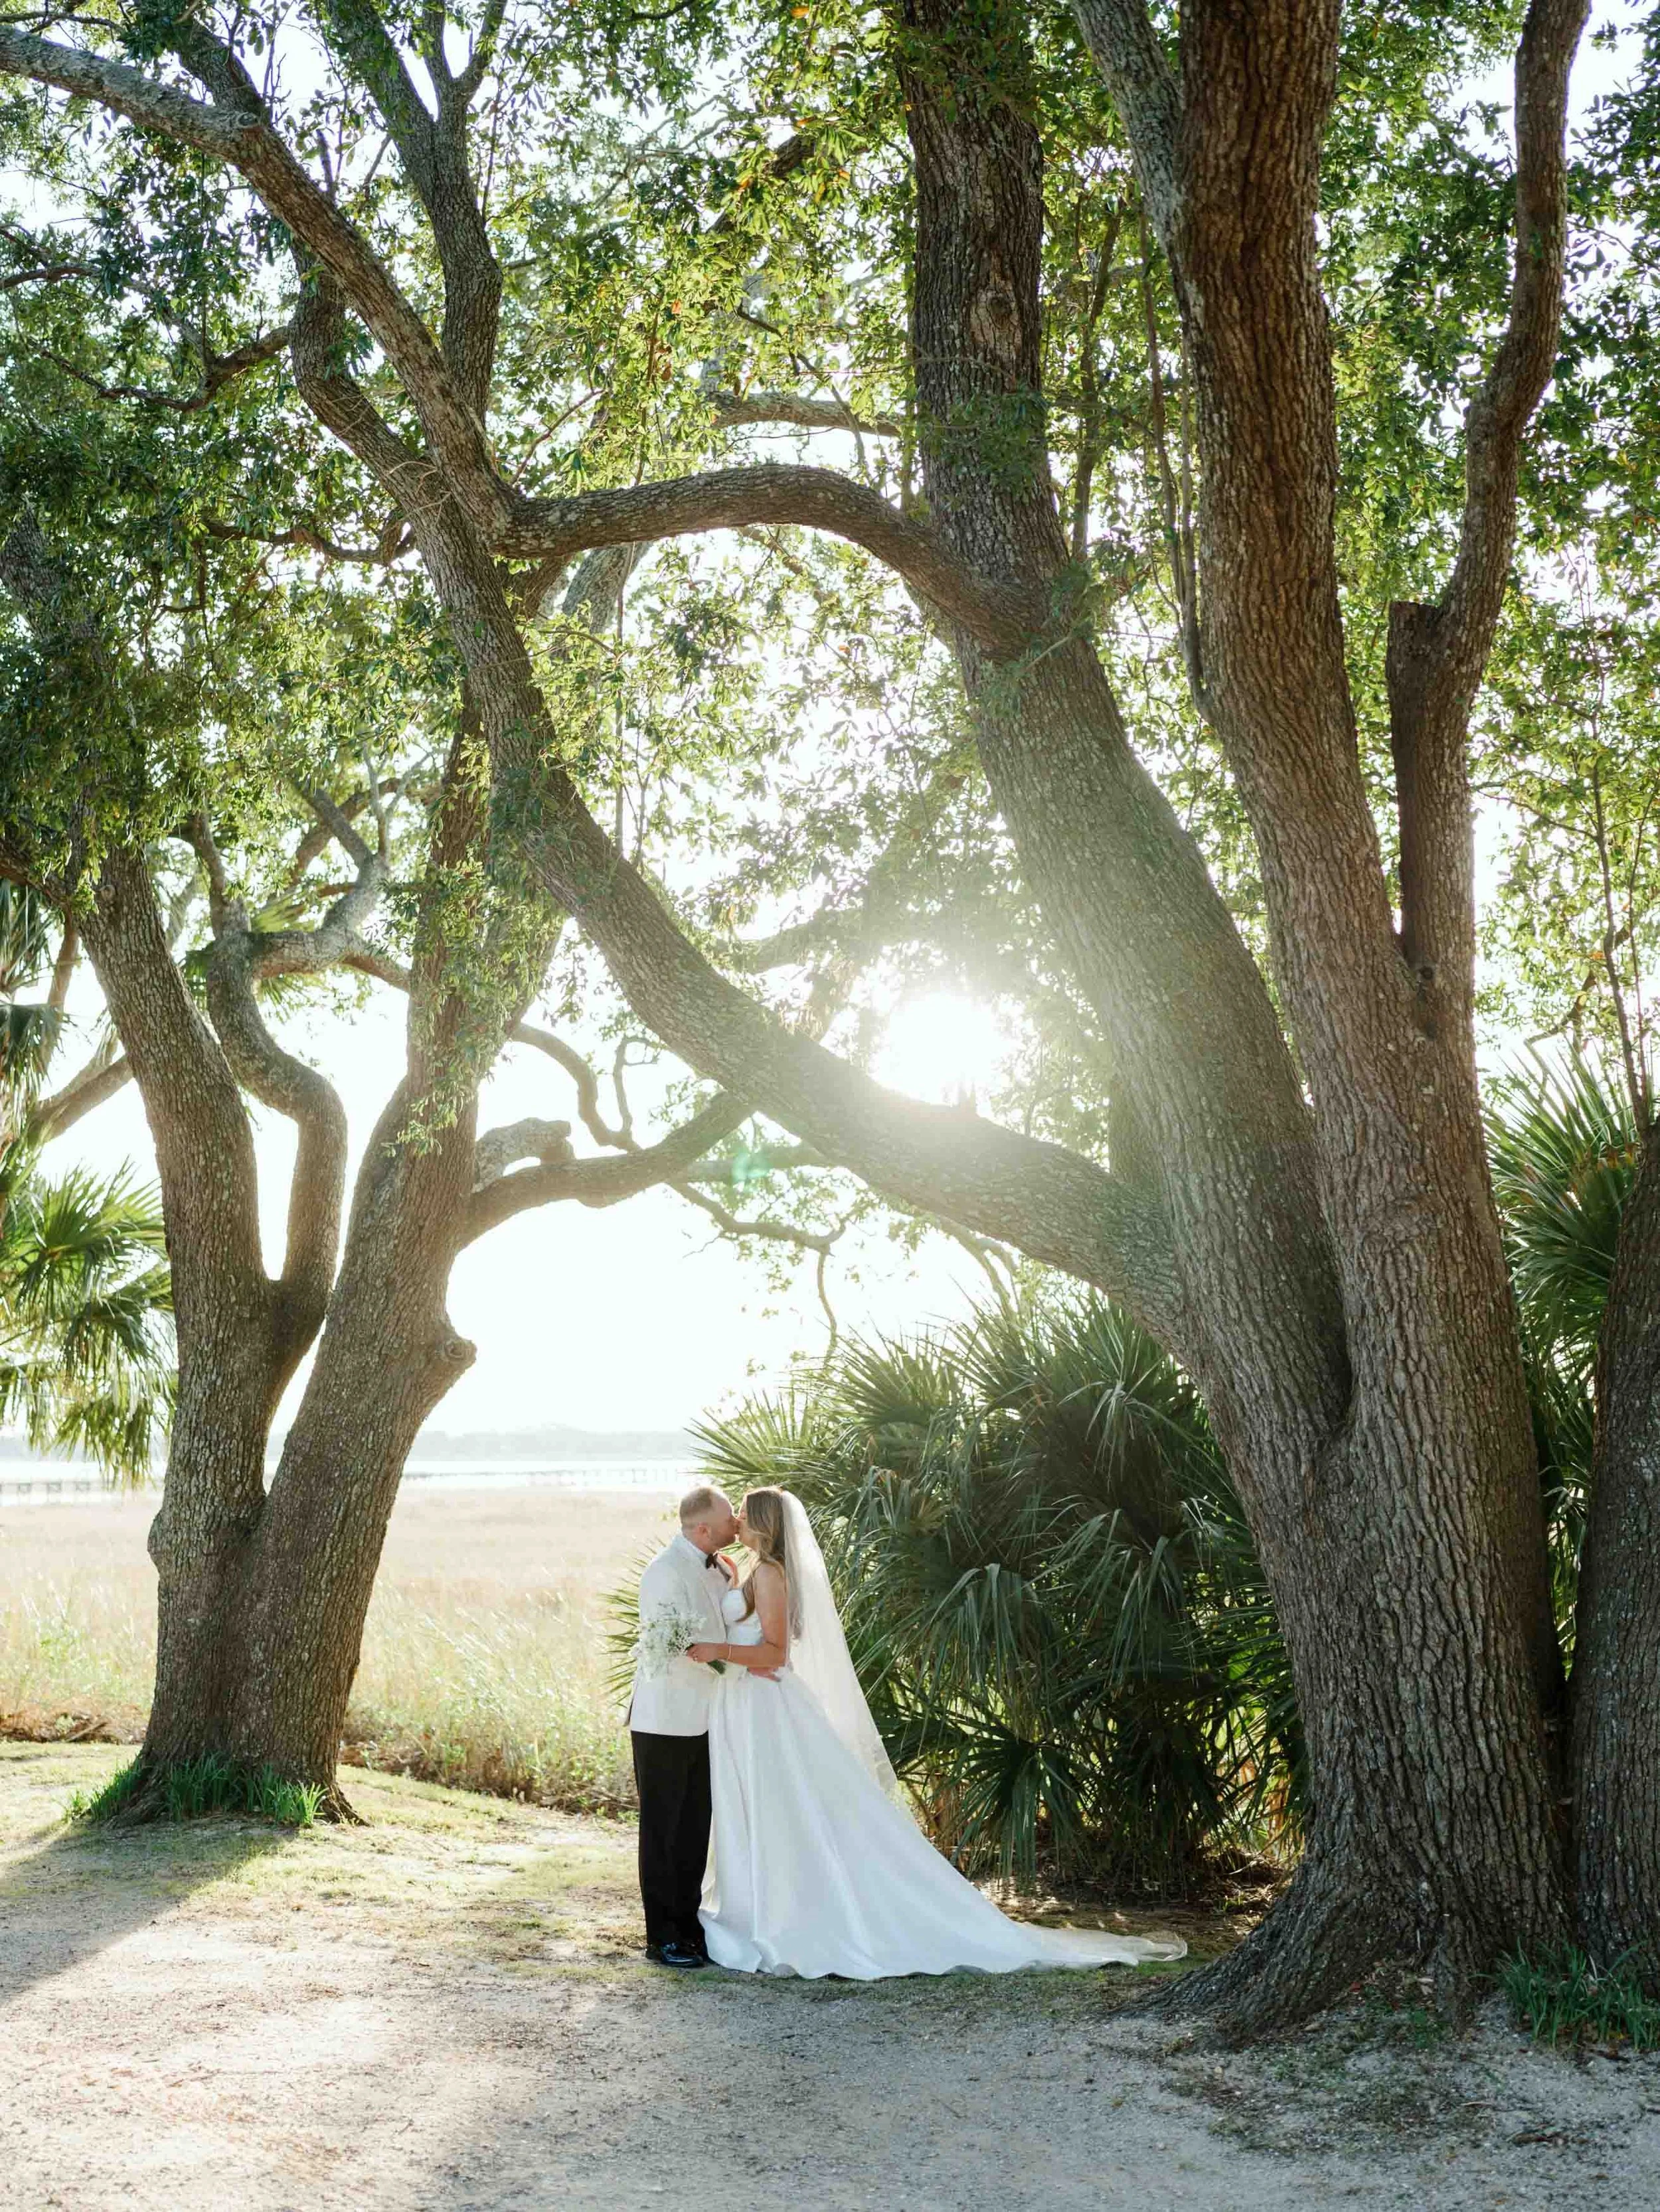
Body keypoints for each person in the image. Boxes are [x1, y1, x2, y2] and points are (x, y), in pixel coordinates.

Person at [685, 1486, 1187, 1980]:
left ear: (767, 1524)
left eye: (746, 1515)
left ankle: (790, 1913)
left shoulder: (772, 1574)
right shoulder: (751, 1569)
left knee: (787, 1806)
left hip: (769, 1706)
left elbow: (775, 1654)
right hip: (747, 1706)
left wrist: (717, 1651)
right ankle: (762, 1901)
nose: (738, 1523)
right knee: (767, 1806)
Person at [627, 1484, 743, 1968]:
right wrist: (732, 1664)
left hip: (708, 1718)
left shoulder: (721, 1569)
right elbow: (670, 1641)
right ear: (702, 1528)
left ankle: (689, 1926)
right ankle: (662, 1936)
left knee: (697, 1826)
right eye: (727, 1520)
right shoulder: (663, 1572)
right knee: (663, 1829)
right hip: (663, 1719)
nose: (735, 1525)